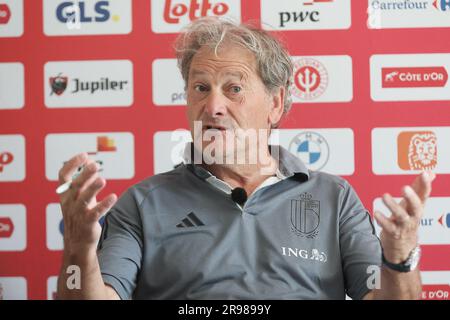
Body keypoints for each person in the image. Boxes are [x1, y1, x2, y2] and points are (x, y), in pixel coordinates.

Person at [56, 17, 435, 300]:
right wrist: (77, 246)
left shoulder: (335, 197)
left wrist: (399, 256)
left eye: (233, 89)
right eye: (200, 88)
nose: (213, 106)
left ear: (274, 103)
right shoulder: (141, 203)